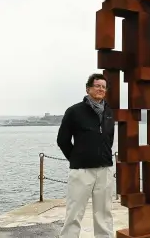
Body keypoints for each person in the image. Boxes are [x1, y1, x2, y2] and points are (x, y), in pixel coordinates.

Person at [56, 73, 115, 238]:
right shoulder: (74, 111)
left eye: (103, 87)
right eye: (97, 86)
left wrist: (102, 154)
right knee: (74, 213)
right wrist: (77, 158)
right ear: (88, 88)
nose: (100, 89)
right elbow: (62, 140)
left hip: (104, 169)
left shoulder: (109, 112)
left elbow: (108, 138)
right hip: (81, 171)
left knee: (104, 214)